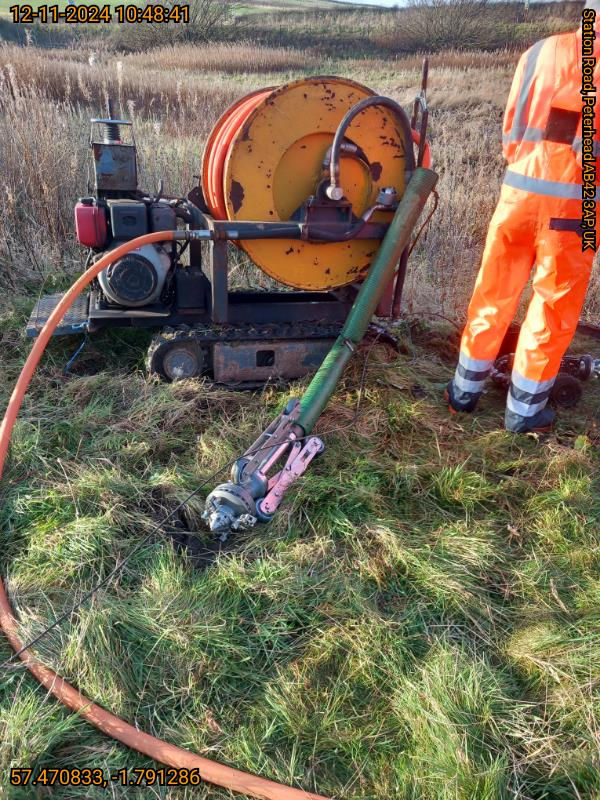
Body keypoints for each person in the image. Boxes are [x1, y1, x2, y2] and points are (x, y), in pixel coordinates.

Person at [445, 2, 599, 432]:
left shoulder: (540, 51)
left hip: (517, 192)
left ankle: (463, 392)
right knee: (551, 307)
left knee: (492, 292)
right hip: (575, 207)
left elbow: (512, 124)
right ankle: (524, 412)